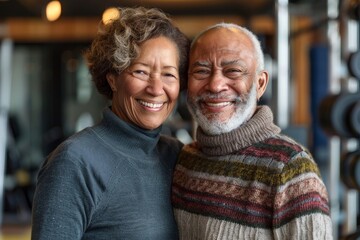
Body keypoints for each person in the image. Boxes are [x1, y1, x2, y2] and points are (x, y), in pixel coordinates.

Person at [31, 6, 189, 240]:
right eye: (141, 72)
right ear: (113, 79)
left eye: (169, 75)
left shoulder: (176, 156)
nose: (156, 89)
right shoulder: (75, 162)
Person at [172, 23, 333, 240]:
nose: (215, 85)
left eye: (233, 71)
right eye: (201, 71)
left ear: (260, 83)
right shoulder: (184, 160)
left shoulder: (291, 169)